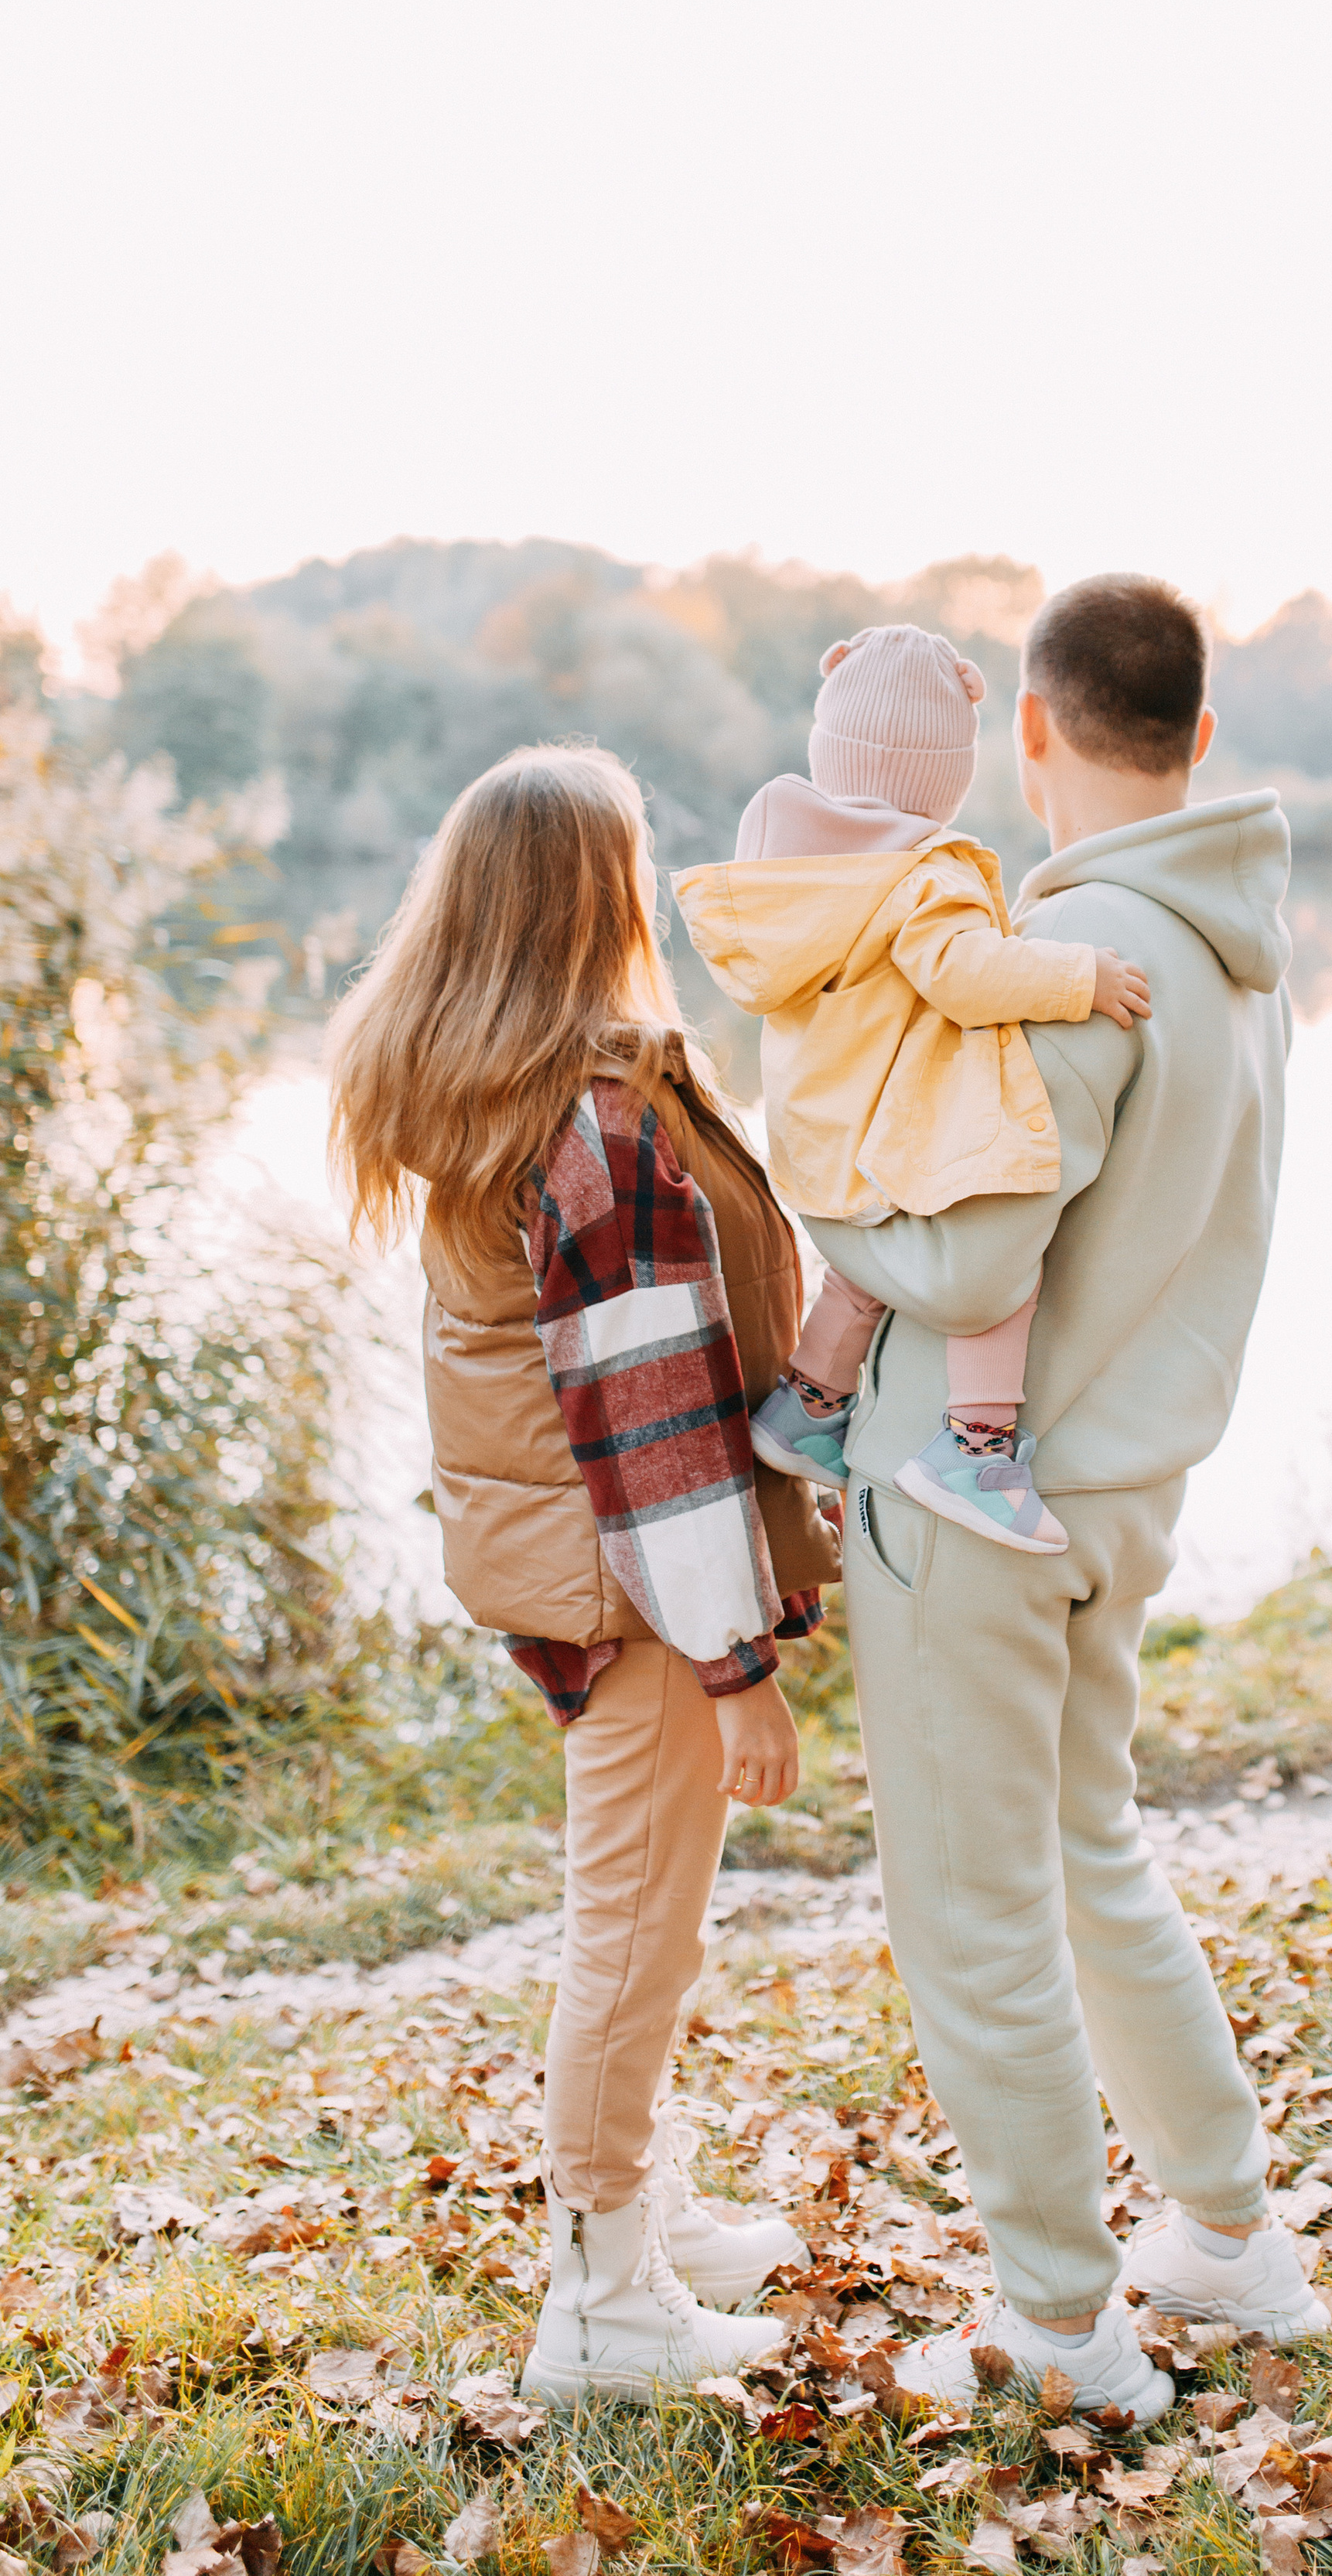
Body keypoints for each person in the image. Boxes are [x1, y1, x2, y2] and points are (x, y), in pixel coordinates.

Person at [806, 576, 1317, 2425]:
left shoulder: (1077, 946)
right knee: (1088, 1849)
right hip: (1119, 1487)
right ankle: (1230, 2235)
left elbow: (968, 1249)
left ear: (1029, 730)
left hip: (974, 1498)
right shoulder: (1239, 946)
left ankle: (1054, 2314)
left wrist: (826, 1207)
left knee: (974, 1902)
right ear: (1197, 731)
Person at [325, 744, 839, 2405]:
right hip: (636, 1596)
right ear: (593, 901)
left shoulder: (504, 1093)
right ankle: (602, 2301)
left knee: (639, 1917)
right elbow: (654, 1424)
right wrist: (734, 1665)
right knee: (628, 1932)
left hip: (580, 1580)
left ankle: (643, 2222)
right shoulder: (591, 1128)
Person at [672, 621, 1151, 1555]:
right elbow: (965, 974)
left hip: (817, 1145)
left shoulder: (783, 871)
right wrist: (1075, 976)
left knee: (870, 1270)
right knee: (1000, 1255)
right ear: (947, 775)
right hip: (892, 1133)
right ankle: (975, 1447)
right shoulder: (927, 876)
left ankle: (808, 1405)